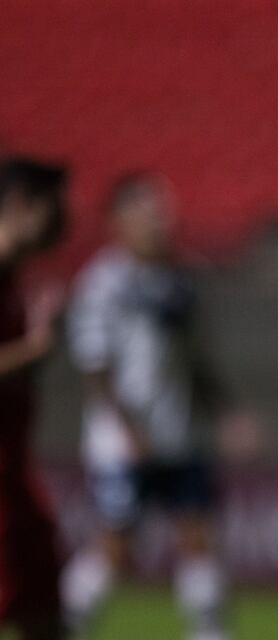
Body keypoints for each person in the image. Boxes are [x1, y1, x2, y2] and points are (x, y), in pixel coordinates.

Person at [61, 173, 237, 640]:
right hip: (123, 443)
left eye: (163, 212)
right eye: (148, 212)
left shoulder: (182, 280)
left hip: (179, 434)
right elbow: (96, 365)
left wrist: (226, 412)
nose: (161, 221)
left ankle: (209, 632)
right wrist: (127, 428)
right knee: (117, 547)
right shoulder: (103, 283)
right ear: (118, 221)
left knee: (198, 537)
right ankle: (65, 622)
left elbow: (196, 360)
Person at [0, 158, 68, 640]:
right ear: (21, 204)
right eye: (53, 206)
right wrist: (36, 348)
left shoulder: (14, 280)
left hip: (13, 476)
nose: (63, 220)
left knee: (45, 613)